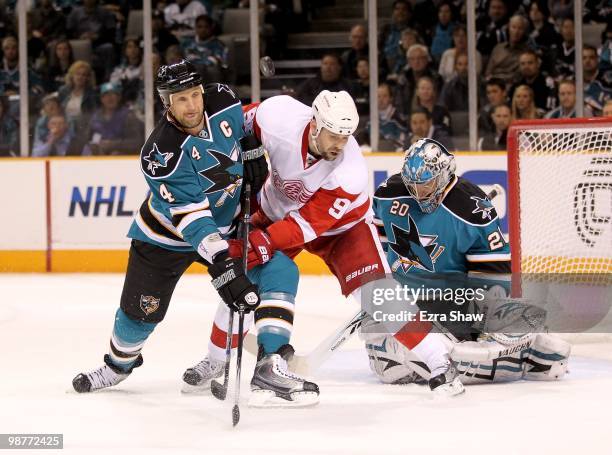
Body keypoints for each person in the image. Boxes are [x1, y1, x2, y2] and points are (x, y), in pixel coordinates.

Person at [189, 90, 466, 400]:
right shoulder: (278, 115)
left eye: (346, 137)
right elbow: (234, 124)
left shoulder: (350, 173)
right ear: (316, 124)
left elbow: (303, 227)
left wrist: (260, 243)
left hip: (342, 228)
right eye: (334, 135)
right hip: (277, 209)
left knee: (378, 295)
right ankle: (215, 361)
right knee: (244, 280)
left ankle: (439, 361)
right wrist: (242, 150)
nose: (340, 144)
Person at [71, 60, 308, 406]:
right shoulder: (160, 155)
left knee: (279, 269)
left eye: (195, 95)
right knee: (140, 315)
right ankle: (118, 366)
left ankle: (269, 362)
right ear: (167, 103)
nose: (193, 105)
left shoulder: (223, 100)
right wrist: (224, 266)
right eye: (182, 100)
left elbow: (245, 124)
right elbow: (194, 221)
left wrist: (253, 147)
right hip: (165, 238)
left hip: (226, 227)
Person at [365, 138, 570, 386]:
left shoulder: (472, 210)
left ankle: (515, 353)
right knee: (386, 359)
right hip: (403, 300)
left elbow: (492, 279)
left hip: (451, 300)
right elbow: (377, 247)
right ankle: (519, 354)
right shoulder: (387, 195)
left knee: (417, 356)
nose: (418, 193)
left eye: (426, 185)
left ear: (443, 175)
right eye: (413, 185)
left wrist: (486, 317)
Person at [81, 82, 144, 156]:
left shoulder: (128, 116)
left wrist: (113, 144)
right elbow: (87, 140)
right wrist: (94, 146)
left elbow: (137, 142)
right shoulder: (95, 117)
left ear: (119, 97)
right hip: (98, 156)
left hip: (121, 158)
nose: (109, 98)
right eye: (106, 95)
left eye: (113, 94)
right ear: (101, 99)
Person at [181, 15, 228, 84]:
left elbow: (215, 61)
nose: (203, 30)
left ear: (211, 28)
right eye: (199, 27)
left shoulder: (219, 45)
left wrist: (195, 62)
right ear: (195, 28)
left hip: (210, 75)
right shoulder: (188, 43)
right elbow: (183, 59)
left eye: (206, 27)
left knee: (209, 69)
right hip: (190, 73)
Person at [484, 14, 531, 84]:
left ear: (524, 31)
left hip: (511, 85)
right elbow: (488, 72)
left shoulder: (526, 52)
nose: (516, 32)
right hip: (492, 84)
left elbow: (518, 77)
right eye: (513, 27)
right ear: (508, 28)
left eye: (520, 28)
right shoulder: (498, 48)